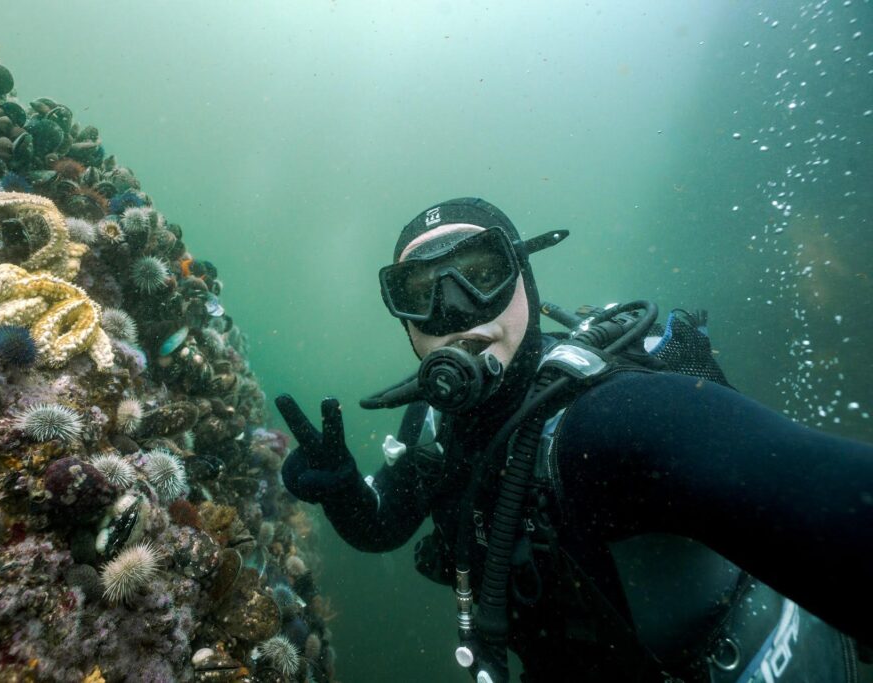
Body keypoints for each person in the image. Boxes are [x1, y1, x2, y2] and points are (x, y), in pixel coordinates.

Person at [276, 198, 873, 682]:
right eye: (419, 293)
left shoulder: (610, 417)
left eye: (481, 274)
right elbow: (383, 526)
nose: (454, 311)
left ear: (525, 284)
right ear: (403, 320)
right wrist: (345, 490)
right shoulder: (434, 426)